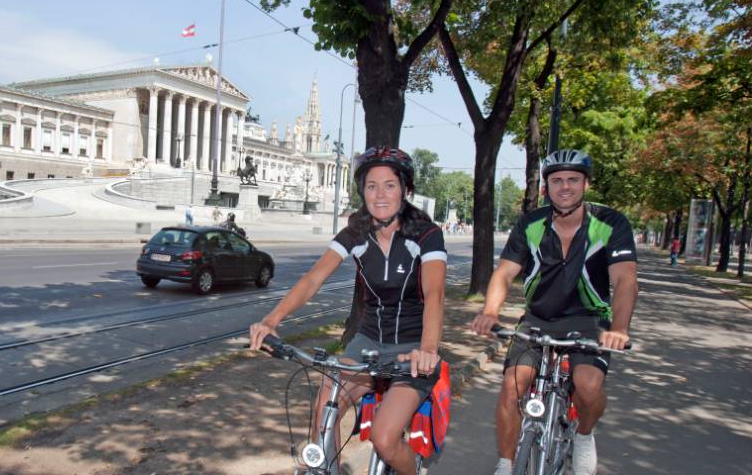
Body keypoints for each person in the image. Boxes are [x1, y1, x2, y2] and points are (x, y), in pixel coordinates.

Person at [250, 146, 447, 475]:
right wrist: (271, 321)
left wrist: (428, 348)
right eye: (371, 186)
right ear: (362, 191)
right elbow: (313, 278)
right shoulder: (356, 233)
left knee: (385, 439)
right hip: (367, 341)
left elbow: (435, 294)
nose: (380, 194)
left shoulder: (426, 235)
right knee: (323, 414)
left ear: (406, 190)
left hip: (412, 348)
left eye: (390, 185)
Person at [471, 149, 638, 475]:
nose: (565, 186)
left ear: (586, 184)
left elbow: (625, 279)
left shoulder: (611, 223)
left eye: (573, 179)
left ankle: (584, 435)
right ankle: (507, 464)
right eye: (557, 180)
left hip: (589, 320)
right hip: (538, 319)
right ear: (546, 186)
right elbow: (505, 273)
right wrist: (490, 311)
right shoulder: (531, 223)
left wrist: (619, 328)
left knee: (587, 386)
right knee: (512, 385)